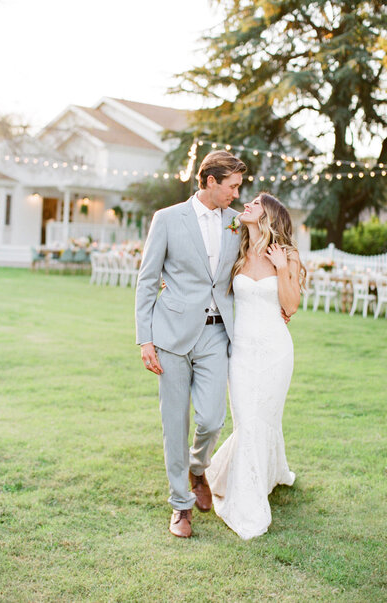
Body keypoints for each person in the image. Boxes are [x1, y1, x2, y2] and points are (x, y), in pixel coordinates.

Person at [135, 150, 247, 538]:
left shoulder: (238, 223)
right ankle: (180, 506)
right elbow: (148, 280)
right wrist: (145, 339)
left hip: (218, 333)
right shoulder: (167, 219)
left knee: (213, 418)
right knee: (174, 422)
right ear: (210, 181)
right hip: (171, 335)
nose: (238, 192)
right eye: (232, 185)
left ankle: (198, 468)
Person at [206, 192, 306, 539]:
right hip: (242, 351)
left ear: (269, 215)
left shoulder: (287, 255)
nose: (245, 206)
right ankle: (246, 485)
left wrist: (281, 269)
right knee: (246, 421)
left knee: (264, 419)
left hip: (276, 351)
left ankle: (257, 489)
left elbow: (290, 306)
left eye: (253, 204)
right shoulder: (237, 250)